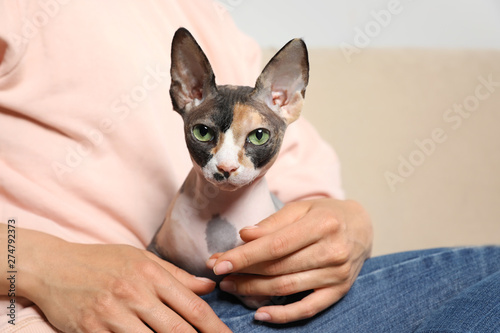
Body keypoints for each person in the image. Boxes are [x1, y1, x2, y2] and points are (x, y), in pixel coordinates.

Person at [0, 1, 498, 332]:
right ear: (184, 92)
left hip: (245, 299)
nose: (226, 161)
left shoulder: (203, 12)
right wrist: (40, 265)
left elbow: (308, 188)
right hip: (83, 315)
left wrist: (351, 228)